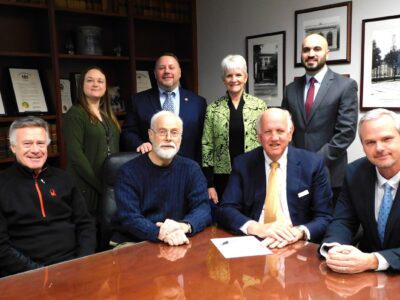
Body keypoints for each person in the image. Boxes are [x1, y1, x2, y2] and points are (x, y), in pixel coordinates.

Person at [217, 108, 332, 248]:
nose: (274, 138)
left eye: (280, 131)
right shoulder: (243, 164)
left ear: (290, 133)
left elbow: (325, 217)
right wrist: (257, 228)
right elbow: (226, 209)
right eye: (267, 132)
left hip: (294, 242)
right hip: (255, 241)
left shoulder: (313, 164)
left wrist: (300, 232)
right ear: (259, 136)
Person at [0, 116, 96, 277]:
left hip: (73, 266)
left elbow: (85, 225)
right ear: (13, 147)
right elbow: (2, 248)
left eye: (40, 143)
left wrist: (82, 262)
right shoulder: (2, 184)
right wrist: (39, 273)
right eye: (27, 144)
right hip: (25, 274)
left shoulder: (64, 178)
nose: (35, 150)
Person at [112, 111, 211, 246]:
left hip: (179, 236)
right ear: (151, 135)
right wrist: (160, 233)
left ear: (180, 138)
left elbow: (203, 208)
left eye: (174, 132)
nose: (168, 138)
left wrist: (184, 226)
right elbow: (130, 217)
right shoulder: (128, 172)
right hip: (136, 242)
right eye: (162, 132)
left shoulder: (192, 169)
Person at [281, 33, 358, 205]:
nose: (311, 54)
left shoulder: (345, 86)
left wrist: (314, 161)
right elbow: (284, 129)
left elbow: (346, 132)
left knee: (328, 227)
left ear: (327, 53)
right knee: (298, 225)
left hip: (330, 175)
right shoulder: (290, 89)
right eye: (306, 49)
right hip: (296, 173)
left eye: (317, 49)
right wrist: (296, 160)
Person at [320, 108, 400, 273]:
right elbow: (343, 220)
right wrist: (335, 247)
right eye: (370, 142)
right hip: (365, 276)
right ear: (363, 146)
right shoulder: (354, 173)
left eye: (387, 139)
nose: (379, 148)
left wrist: (374, 260)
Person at [202, 54, 267, 207]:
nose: (234, 79)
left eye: (238, 75)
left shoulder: (259, 106)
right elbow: (207, 146)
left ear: (246, 77)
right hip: (222, 177)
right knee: (225, 216)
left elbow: (266, 140)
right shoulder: (213, 109)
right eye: (229, 75)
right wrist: (209, 184)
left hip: (253, 173)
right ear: (223, 79)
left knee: (252, 215)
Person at [120, 53, 207, 163]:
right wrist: (140, 144)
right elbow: (127, 133)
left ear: (179, 72)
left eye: (171, 67)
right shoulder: (138, 101)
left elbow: (204, 141)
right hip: (150, 168)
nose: (167, 71)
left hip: (188, 170)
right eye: (161, 68)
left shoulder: (198, 102)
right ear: (155, 74)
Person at [63, 66, 120, 219]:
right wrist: (98, 184)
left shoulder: (107, 115)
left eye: (100, 81)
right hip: (86, 186)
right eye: (90, 80)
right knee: (89, 230)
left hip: (107, 185)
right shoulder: (75, 114)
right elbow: (75, 155)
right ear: (82, 85)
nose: (95, 84)